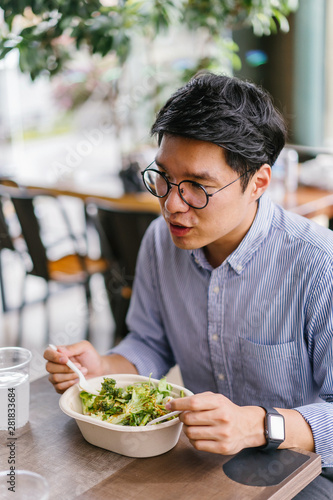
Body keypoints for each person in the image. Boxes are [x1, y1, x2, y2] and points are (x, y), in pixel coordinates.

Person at [44, 73, 333, 495]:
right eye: (163, 177)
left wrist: (257, 424)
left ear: (259, 183)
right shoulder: (161, 241)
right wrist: (103, 368)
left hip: (307, 476)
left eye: (198, 186)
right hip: (201, 465)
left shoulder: (318, 264)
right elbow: (149, 341)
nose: (171, 205)